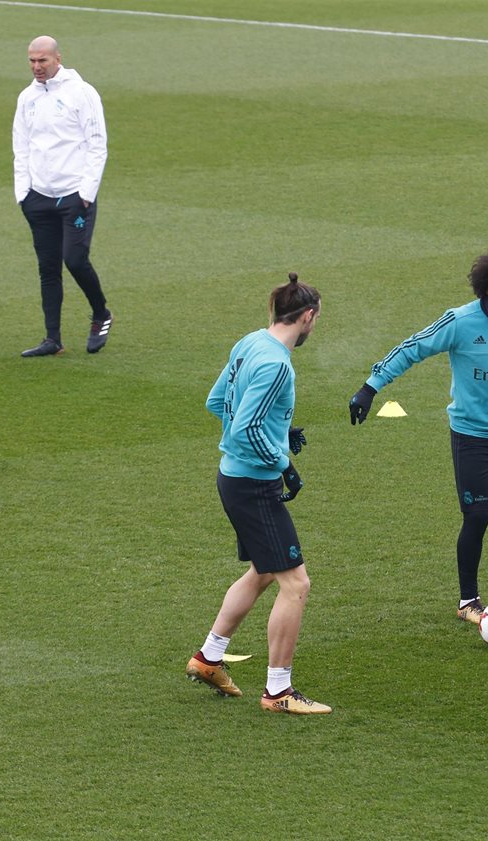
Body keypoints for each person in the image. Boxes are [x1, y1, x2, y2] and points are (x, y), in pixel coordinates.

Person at [349, 244, 488, 624]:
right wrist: (370, 387)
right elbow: (411, 349)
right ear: (486, 288)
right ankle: (468, 601)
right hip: (473, 437)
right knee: (477, 516)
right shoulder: (459, 321)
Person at [188, 273, 331, 715]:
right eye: (316, 320)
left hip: (233, 476)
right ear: (307, 316)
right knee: (296, 583)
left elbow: (220, 402)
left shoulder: (251, 342)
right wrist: (284, 461)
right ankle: (279, 692)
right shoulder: (276, 364)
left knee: (265, 572)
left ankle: (209, 658)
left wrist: (279, 429)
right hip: (253, 484)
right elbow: (247, 425)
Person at [13, 35, 114, 357]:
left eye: (42, 60)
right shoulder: (27, 97)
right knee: (47, 268)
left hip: (74, 196)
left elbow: (97, 143)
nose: (36, 67)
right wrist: (23, 193)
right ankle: (52, 339)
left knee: (74, 259)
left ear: (58, 58)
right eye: (31, 60)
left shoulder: (81, 93)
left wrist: (86, 193)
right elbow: (21, 146)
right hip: (38, 197)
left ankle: (101, 313)